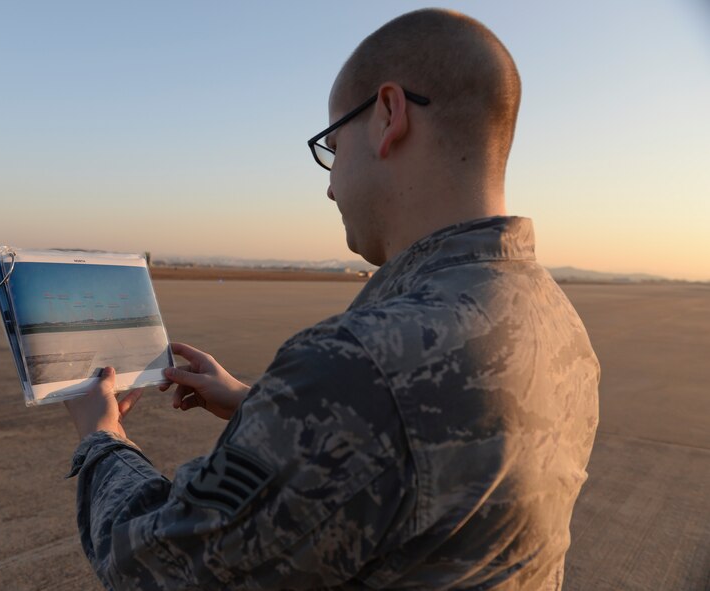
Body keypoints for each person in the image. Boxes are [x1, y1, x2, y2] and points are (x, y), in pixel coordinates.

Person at [64, 8, 600, 590]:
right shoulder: (555, 318)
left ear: (388, 116)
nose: (329, 184)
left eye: (333, 147)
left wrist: (102, 437)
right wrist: (257, 402)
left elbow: (153, 565)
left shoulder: (360, 364)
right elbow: (426, 457)